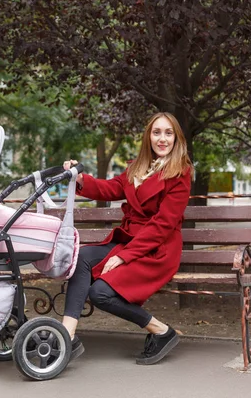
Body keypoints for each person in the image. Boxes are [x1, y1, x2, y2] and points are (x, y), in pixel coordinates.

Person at [62, 112, 194, 365]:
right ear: (149, 136)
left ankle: (161, 331)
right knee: (81, 259)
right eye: (157, 132)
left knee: (100, 293)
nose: (162, 139)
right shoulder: (137, 167)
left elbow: (163, 225)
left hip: (158, 249)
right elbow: (110, 188)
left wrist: (124, 256)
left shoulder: (180, 173)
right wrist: (80, 179)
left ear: (177, 139)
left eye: (169, 133)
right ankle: (66, 336)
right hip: (130, 240)